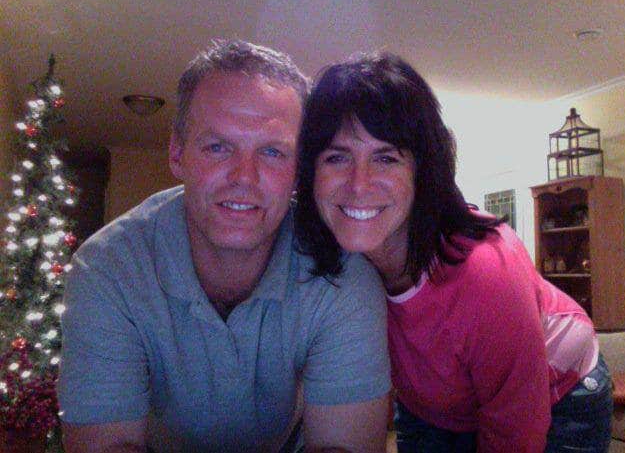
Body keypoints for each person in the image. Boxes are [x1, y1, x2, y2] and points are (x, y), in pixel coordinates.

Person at [57, 39, 391, 453]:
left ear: (299, 169)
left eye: (272, 151)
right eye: (218, 147)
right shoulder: (107, 270)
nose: (244, 177)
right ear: (177, 154)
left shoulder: (343, 276)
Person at [295, 52, 613, 452]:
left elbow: (517, 433)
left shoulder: (484, 271)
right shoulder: (330, 255)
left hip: (560, 389)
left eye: (386, 157)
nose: (359, 184)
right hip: (435, 404)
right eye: (337, 157)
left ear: (422, 171)